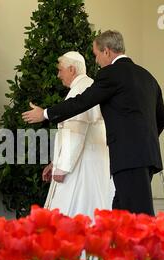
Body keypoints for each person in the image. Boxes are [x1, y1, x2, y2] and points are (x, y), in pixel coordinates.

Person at [23, 30, 164, 216]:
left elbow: (82, 102)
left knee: (140, 218)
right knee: (120, 214)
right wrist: (144, 141)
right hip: (145, 156)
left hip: (128, 157)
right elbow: (162, 118)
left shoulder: (111, 74)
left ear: (107, 51)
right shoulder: (148, 77)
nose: (96, 61)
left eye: (96, 55)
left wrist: (45, 113)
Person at [43, 51, 114, 220]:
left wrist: (62, 167)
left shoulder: (80, 90)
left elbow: (75, 131)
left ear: (72, 70)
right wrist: (55, 162)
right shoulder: (89, 86)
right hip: (91, 161)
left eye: (61, 70)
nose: (58, 75)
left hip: (81, 165)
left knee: (76, 211)